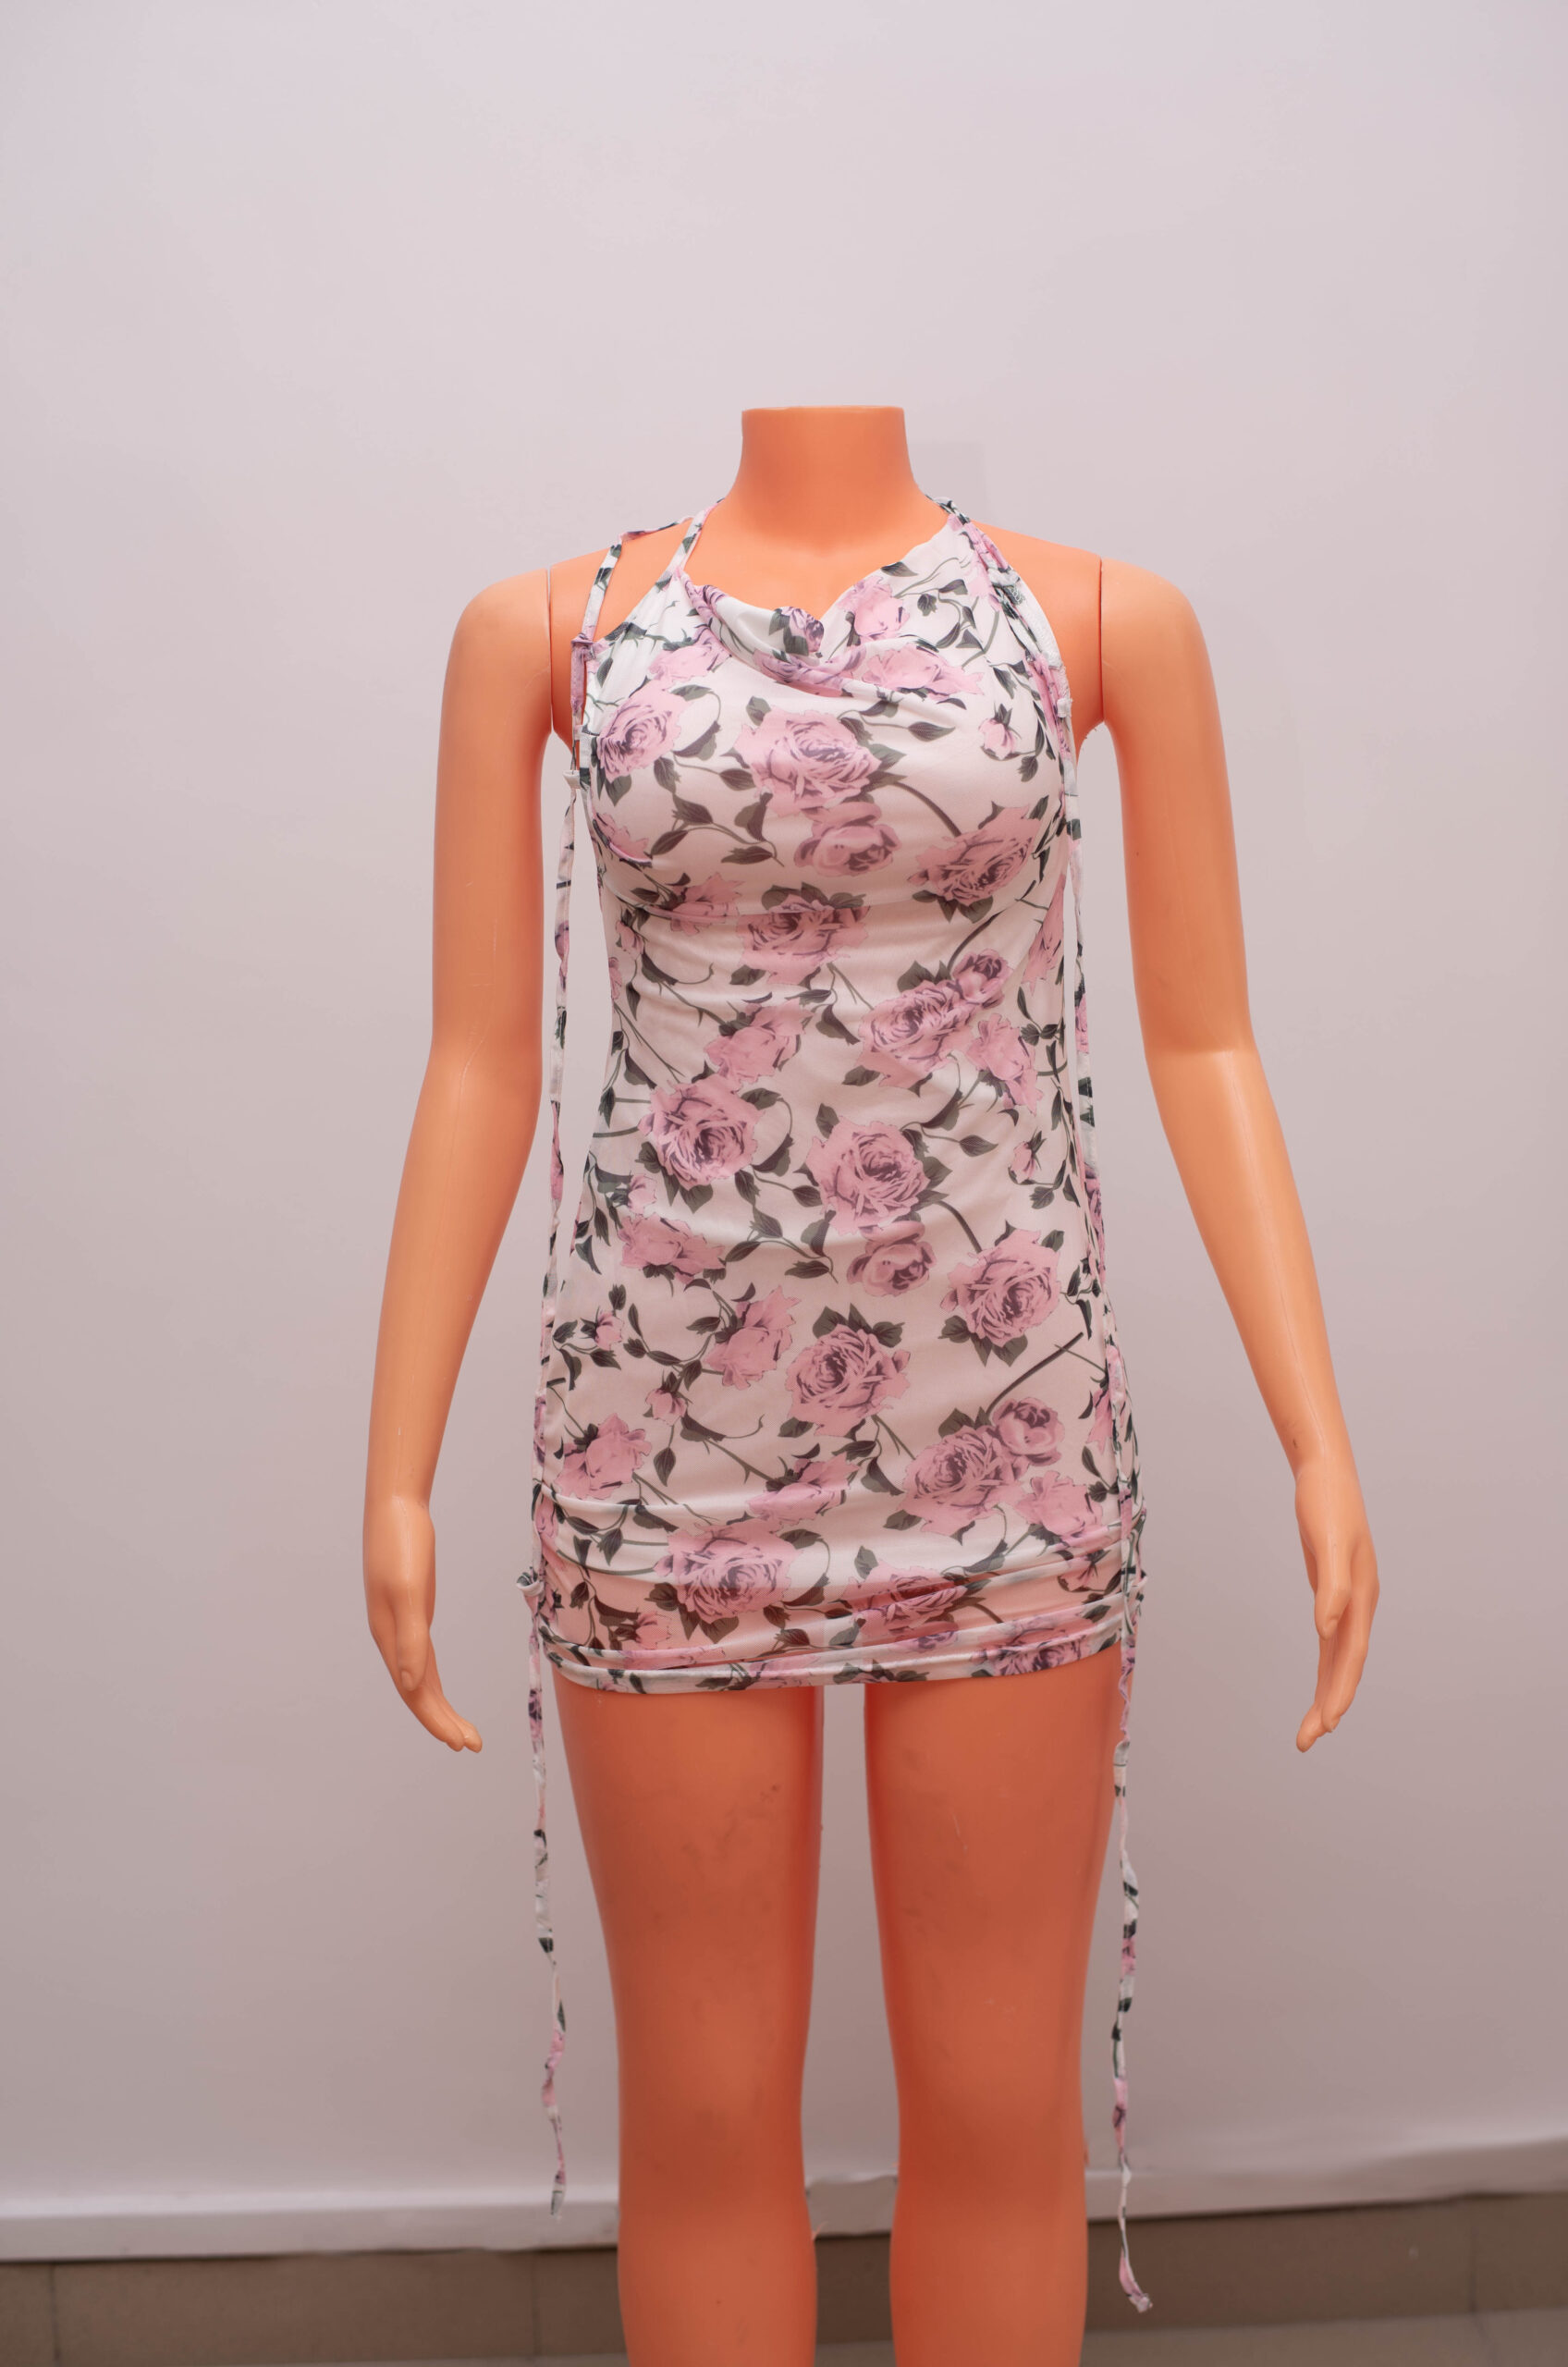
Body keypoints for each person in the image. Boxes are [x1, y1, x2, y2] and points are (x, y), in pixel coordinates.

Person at [362, 406, 1378, 2367]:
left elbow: (1207, 1042)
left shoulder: (1101, 619)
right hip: (661, 1430)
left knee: (998, 2106)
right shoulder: (545, 634)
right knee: (706, 2112)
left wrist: (1314, 1433)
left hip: (1004, 1419)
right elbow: (477, 1060)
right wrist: (394, 1466)